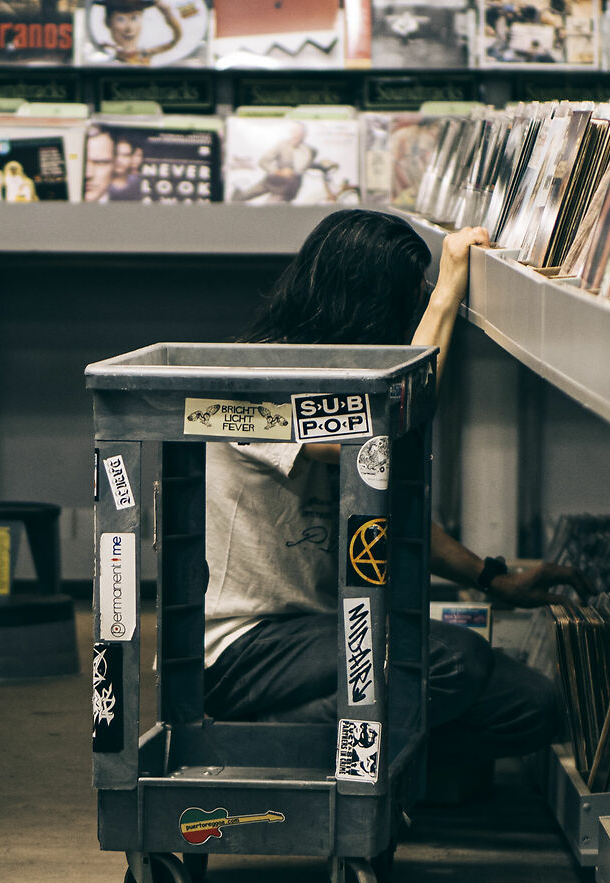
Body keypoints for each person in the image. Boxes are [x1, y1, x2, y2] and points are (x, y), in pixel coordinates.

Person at [202, 210, 571, 763]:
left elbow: (392, 515)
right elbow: (382, 432)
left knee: (533, 706)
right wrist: (445, 294)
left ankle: (370, 752)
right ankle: (261, 739)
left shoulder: (334, 373)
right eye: (407, 306)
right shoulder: (252, 387)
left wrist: (495, 578)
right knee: (451, 662)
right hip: (245, 647)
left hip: (328, 637)